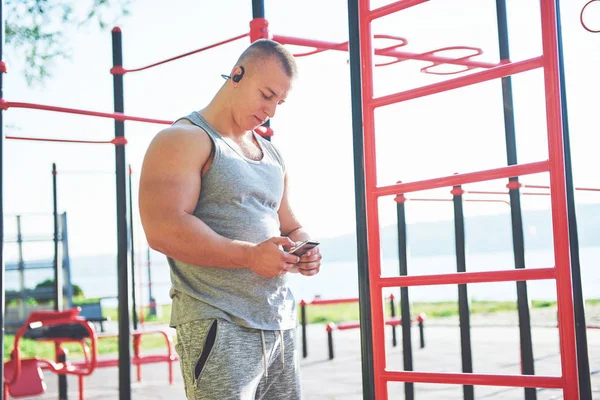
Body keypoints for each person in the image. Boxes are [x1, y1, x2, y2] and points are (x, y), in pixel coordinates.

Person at [138, 39, 321, 400]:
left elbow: (289, 223)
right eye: (266, 95)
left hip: (277, 325)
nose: (271, 111)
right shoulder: (183, 139)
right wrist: (251, 256)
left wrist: (304, 246)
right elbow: (162, 230)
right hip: (218, 323)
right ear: (237, 74)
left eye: (279, 102)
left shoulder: (271, 154)